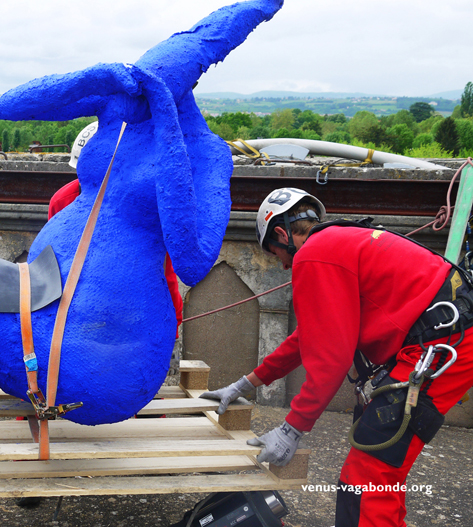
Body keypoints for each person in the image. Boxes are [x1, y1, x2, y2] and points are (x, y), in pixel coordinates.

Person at [201, 187, 473, 527]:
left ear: (283, 234)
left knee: (369, 473)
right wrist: (244, 384)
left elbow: (331, 358)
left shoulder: (313, 254)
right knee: (380, 465)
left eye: (276, 254)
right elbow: (308, 338)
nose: (284, 267)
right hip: (444, 341)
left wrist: (292, 429)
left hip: (441, 348)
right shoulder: (340, 241)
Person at [50, 121, 184, 335]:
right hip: (79, 311)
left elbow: (161, 269)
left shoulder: (144, 206)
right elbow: (55, 263)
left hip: (132, 309)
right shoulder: (63, 201)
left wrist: (172, 322)